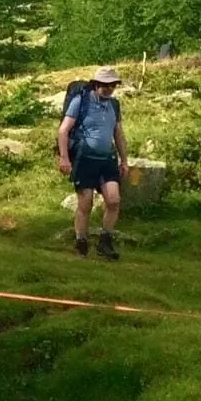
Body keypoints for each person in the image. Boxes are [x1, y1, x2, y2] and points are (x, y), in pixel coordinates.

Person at [57, 66, 129, 259]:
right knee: (85, 203)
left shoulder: (114, 105)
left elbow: (118, 134)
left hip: (107, 159)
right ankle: (81, 242)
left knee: (114, 200)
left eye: (112, 85)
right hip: (84, 160)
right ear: (96, 84)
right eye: (105, 85)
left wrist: (124, 161)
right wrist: (64, 158)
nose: (108, 89)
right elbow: (63, 130)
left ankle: (105, 243)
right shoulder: (81, 101)